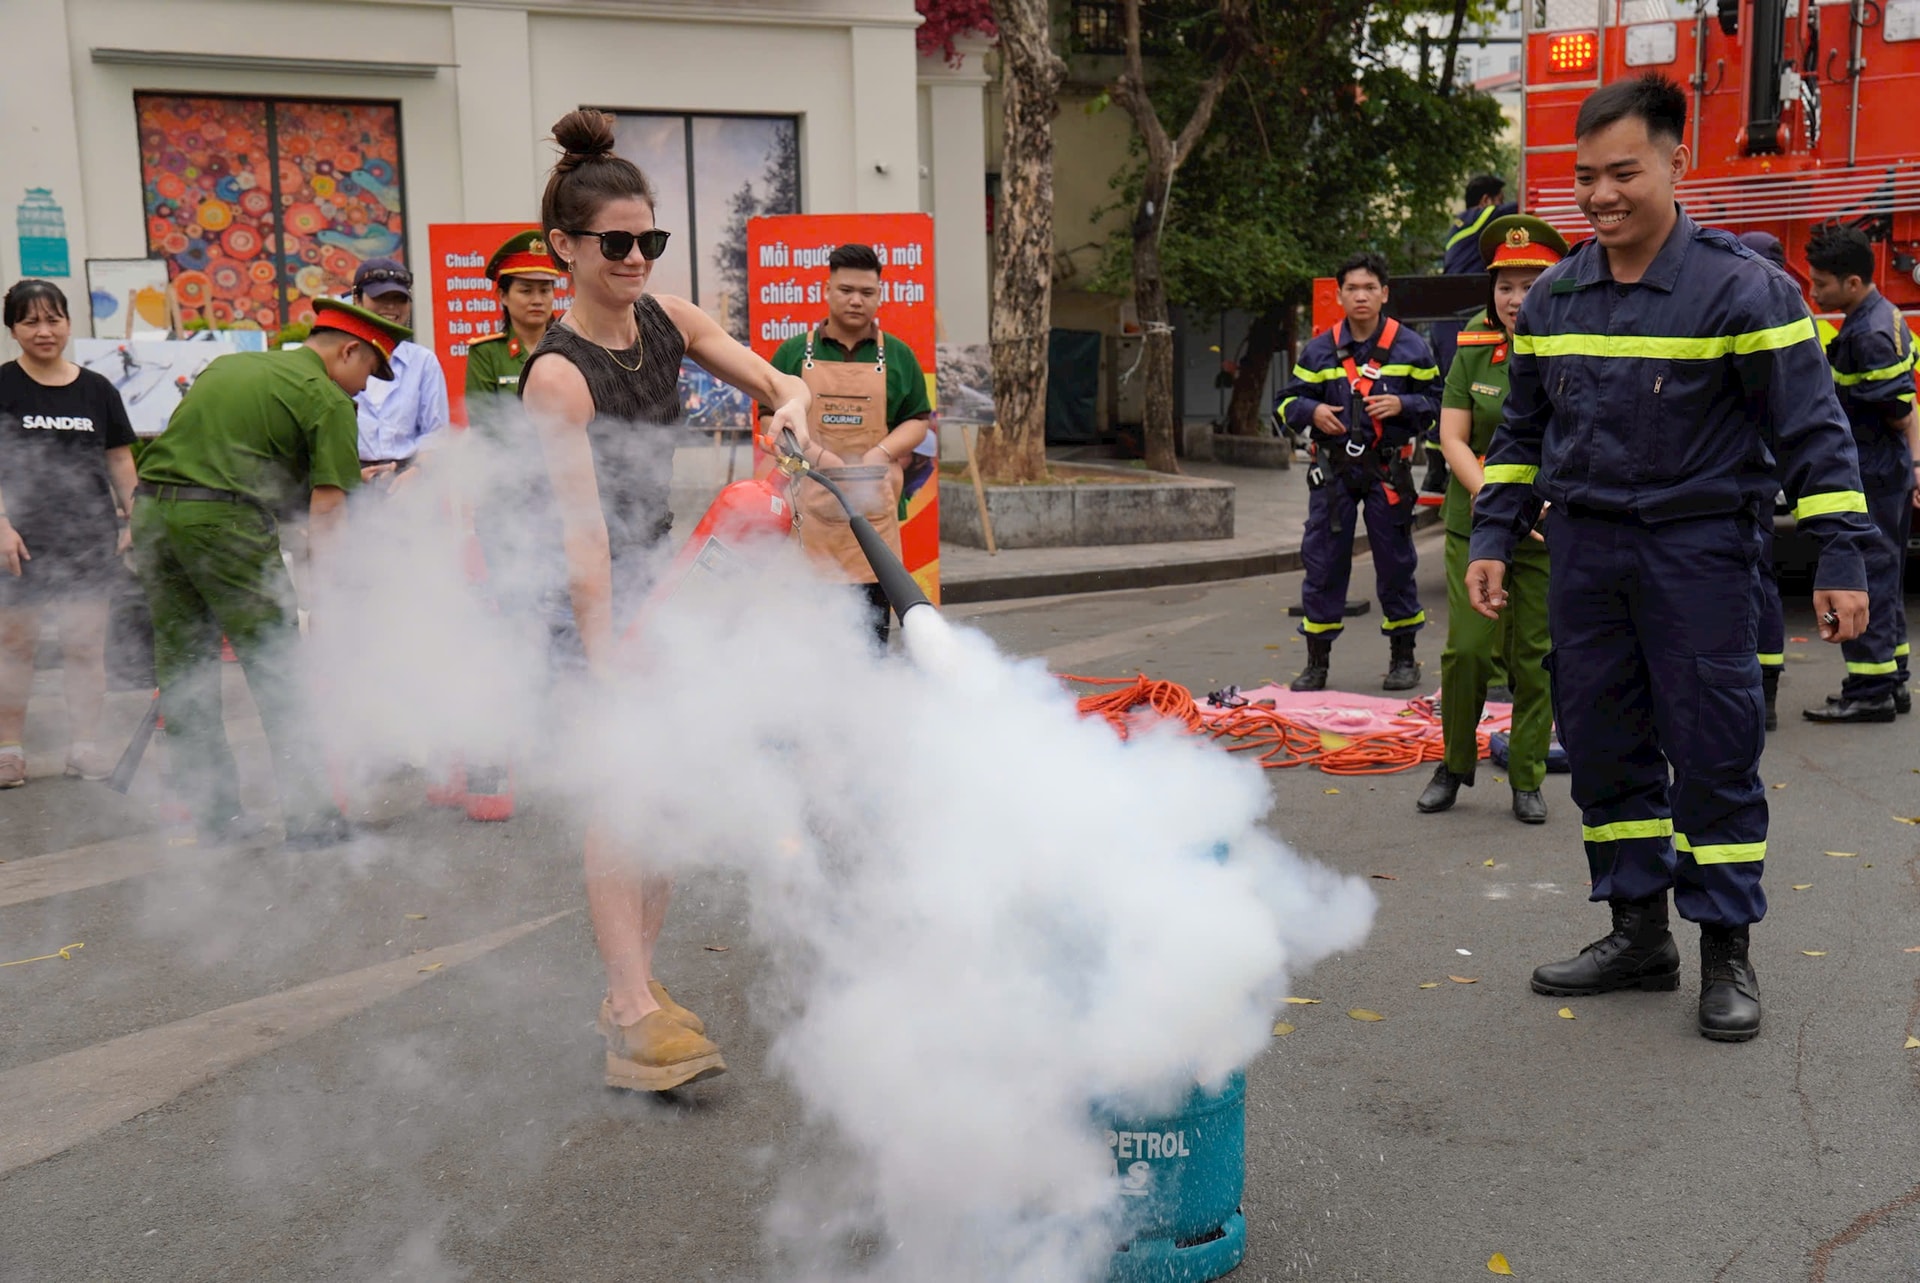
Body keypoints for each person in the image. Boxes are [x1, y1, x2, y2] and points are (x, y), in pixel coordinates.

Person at [1466, 73, 1874, 1043]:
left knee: (1713, 750)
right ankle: (1637, 932)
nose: (1601, 195)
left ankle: (1726, 949)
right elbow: (1522, 430)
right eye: (1585, 177)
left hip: (1700, 550)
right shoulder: (1557, 296)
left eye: (1623, 172)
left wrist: (1844, 558)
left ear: (1674, 162)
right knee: (1604, 747)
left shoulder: (1744, 290)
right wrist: (1491, 531)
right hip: (1586, 551)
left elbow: (1815, 433)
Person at [519, 109, 811, 1092]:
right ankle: (633, 1005)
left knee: (671, 796)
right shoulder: (558, 376)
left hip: (665, 583)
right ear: (565, 247)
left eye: (650, 239)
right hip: (586, 601)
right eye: (616, 243)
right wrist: (606, 661)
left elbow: (769, 375)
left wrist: (796, 403)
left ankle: (629, 993)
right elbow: (582, 537)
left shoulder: (668, 319)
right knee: (624, 793)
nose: (636, 256)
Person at [132, 298, 408, 848]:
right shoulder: (327, 399)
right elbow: (327, 515)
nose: (364, 390)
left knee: (185, 671)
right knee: (282, 672)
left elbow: (233, 459)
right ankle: (313, 821)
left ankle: (216, 817)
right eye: (367, 375)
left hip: (154, 516)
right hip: (223, 526)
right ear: (348, 349)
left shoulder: (233, 365)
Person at [1416, 215, 1569, 825]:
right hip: (1476, 524)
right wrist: (1492, 498)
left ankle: (1527, 775)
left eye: (1531, 285)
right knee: (1470, 652)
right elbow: (1453, 438)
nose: (1515, 299)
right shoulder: (1472, 353)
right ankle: (1454, 764)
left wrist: (1549, 504)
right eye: (1506, 285)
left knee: (1536, 656)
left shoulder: (1571, 348)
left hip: (1547, 525)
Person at [1276, 250, 1439, 692]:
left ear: (1384, 294)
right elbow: (1285, 403)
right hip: (1332, 475)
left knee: (1395, 563)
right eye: (1353, 288)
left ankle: (1404, 659)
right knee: (1324, 564)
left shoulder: (1412, 347)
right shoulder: (1318, 349)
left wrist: (1403, 403)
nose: (1362, 296)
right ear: (1340, 295)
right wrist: (1313, 410)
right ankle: (1316, 664)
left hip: (1388, 471)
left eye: (1370, 288)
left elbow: (1440, 404)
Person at [0, 280, 139, 787]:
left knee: (85, 647)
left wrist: (136, 516)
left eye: (54, 319)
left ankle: (83, 746)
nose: (44, 331)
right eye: (31, 321)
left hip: (88, 538)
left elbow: (121, 459)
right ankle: (9, 751)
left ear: (68, 323)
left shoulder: (97, 389)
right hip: (18, 542)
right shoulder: (3, 385)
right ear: (12, 328)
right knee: (15, 649)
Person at [766, 242, 933, 645]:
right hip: (810, 519)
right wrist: (818, 455)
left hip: (874, 520)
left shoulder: (898, 355)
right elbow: (768, 418)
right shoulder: (792, 353)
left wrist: (881, 453)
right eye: (846, 290)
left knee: (870, 641)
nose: (856, 300)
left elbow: (918, 422)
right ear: (827, 289)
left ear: (879, 295)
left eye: (867, 292)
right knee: (809, 642)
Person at [1800, 224, 1919, 724]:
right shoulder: (1880, 316)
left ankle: (1868, 690)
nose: (1815, 291)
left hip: (1871, 472)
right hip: (1885, 470)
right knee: (1885, 576)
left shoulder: (1868, 335)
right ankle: (1889, 680)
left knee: (1862, 577)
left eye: (1822, 283)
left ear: (1852, 282)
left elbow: (1898, 409)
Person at [1735, 230, 1792, 730]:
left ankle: (1761, 691)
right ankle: (1761, 693)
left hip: (1746, 471)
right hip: (1761, 470)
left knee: (1753, 576)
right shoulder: (1794, 314)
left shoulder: (1747, 309)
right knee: (1759, 576)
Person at [349, 258, 448, 485]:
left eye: (399, 299)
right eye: (380, 298)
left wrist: (416, 473)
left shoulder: (423, 362)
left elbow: (436, 433)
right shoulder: (340, 358)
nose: (391, 307)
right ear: (357, 299)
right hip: (352, 481)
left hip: (411, 481)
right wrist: (348, 477)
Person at [465, 230, 565, 411]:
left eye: (544, 291)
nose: (537, 300)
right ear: (503, 296)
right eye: (526, 291)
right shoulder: (487, 353)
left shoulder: (570, 348)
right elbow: (483, 423)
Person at [1442, 174, 1520, 275]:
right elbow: (1520, 207)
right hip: (1467, 284)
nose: (1502, 205)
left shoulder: (1460, 224)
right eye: (1500, 201)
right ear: (1486, 200)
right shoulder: (1478, 217)